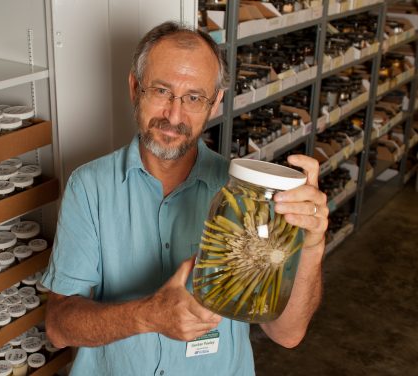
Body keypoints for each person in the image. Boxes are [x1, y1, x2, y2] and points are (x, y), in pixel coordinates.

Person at [40, 21, 328, 375]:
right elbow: (59, 327)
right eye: (161, 91)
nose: (174, 116)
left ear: (216, 103)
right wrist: (147, 316)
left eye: (194, 98)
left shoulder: (246, 198)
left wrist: (312, 245)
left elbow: (287, 334)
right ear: (135, 88)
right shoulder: (89, 187)